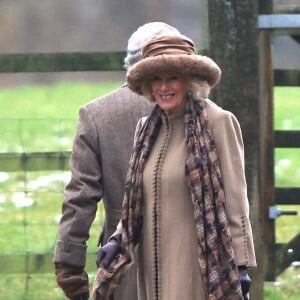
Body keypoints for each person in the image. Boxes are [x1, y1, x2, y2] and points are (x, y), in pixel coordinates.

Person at [94, 34, 257, 300]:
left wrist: (240, 264)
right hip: (151, 266)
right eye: (156, 79)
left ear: (190, 80)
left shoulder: (218, 122)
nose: (163, 87)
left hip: (197, 267)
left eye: (173, 77)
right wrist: (117, 239)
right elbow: (139, 200)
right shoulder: (145, 129)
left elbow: (236, 201)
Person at [53, 22, 181, 300]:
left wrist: (69, 263)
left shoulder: (97, 115)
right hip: (189, 264)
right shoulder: (202, 109)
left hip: (124, 264)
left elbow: (80, 196)